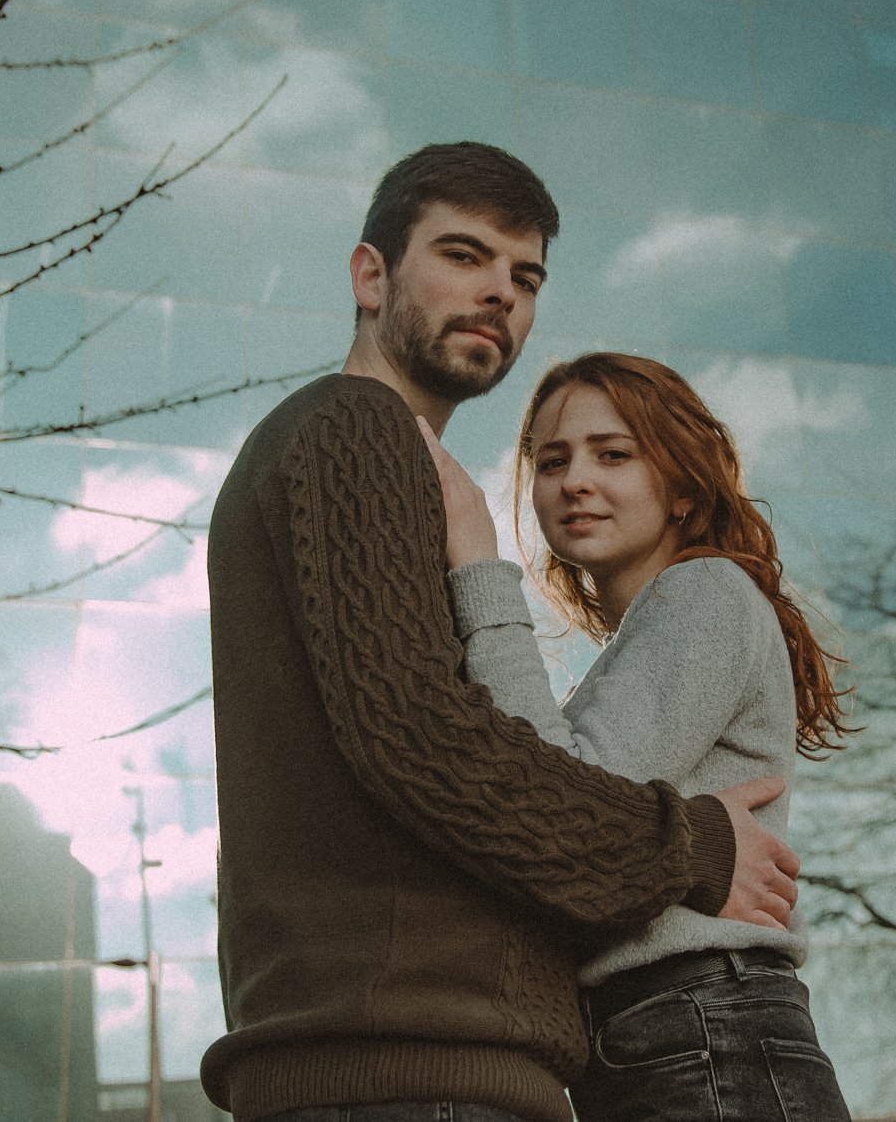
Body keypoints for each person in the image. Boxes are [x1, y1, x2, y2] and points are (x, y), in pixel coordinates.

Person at [198, 144, 801, 1122]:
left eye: (525, 277)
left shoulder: (378, 463)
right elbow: (426, 739)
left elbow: (440, 744)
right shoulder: (355, 425)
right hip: (406, 1069)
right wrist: (690, 846)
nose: (500, 293)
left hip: (426, 1062)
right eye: (463, 255)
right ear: (370, 277)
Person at [419, 351, 856, 1122]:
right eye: (552, 461)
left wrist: (479, 571)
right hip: (665, 1032)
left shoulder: (705, 590)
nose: (574, 480)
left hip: (703, 1026)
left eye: (613, 453)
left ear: (684, 487)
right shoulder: (646, 641)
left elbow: (561, 801)